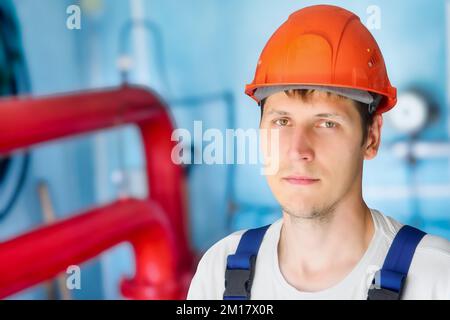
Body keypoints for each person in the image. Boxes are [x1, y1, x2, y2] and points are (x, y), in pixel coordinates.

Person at [187, 4, 450, 300]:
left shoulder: (436, 279)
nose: (298, 150)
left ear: (371, 136)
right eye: (282, 121)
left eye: (327, 123)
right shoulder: (219, 272)